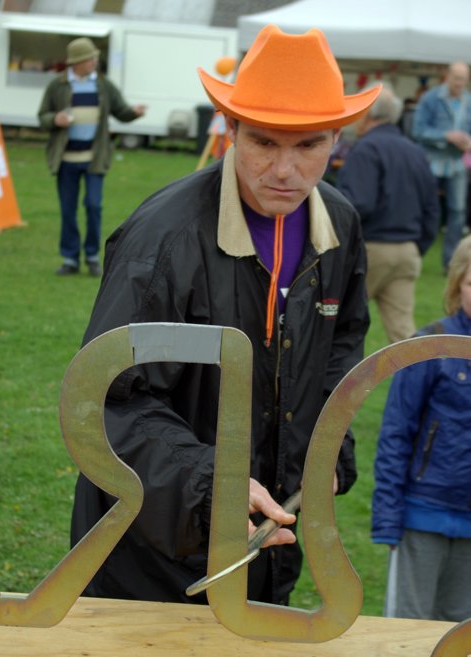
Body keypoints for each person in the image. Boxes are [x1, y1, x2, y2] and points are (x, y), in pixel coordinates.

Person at [70, 25, 381, 605]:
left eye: (309, 145)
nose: (285, 171)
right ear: (230, 130)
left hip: (268, 542)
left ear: (337, 138)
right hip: (151, 548)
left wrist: (326, 445)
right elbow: (108, 398)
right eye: (264, 142)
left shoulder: (339, 225)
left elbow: (341, 345)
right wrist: (208, 488)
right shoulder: (162, 240)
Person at [371, 234, 471, 621]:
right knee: (408, 631)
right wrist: (389, 517)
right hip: (423, 514)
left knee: (460, 634)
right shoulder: (430, 345)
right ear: (456, 284)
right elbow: (396, 432)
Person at [336, 86, 439, 343]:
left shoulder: (366, 149)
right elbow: (432, 208)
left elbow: (359, 203)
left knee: (336, 325)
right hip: (407, 251)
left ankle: (330, 382)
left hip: (371, 250)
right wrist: (417, 246)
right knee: (404, 335)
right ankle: (420, 380)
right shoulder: (415, 151)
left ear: (368, 114)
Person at [38, 37, 146, 277]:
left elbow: (122, 111)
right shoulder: (57, 85)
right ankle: (70, 259)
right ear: (78, 62)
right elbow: (42, 116)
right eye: (91, 58)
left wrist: (134, 113)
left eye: (95, 58)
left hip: (94, 159)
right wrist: (55, 119)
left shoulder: (104, 86)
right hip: (66, 160)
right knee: (68, 210)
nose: (95, 62)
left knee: (94, 206)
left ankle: (93, 256)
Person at [412, 62, 471, 272]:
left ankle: (452, 264)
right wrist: (445, 136)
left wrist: (467, 142)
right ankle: (414, 257)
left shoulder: (468, 101)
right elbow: (418, 131)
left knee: (457, 211)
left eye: (463, 79)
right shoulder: (431, 99)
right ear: (447, 76)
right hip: (432, 162)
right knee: (424, 209)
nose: (459, 83)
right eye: (456, 78)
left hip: (456, 164)